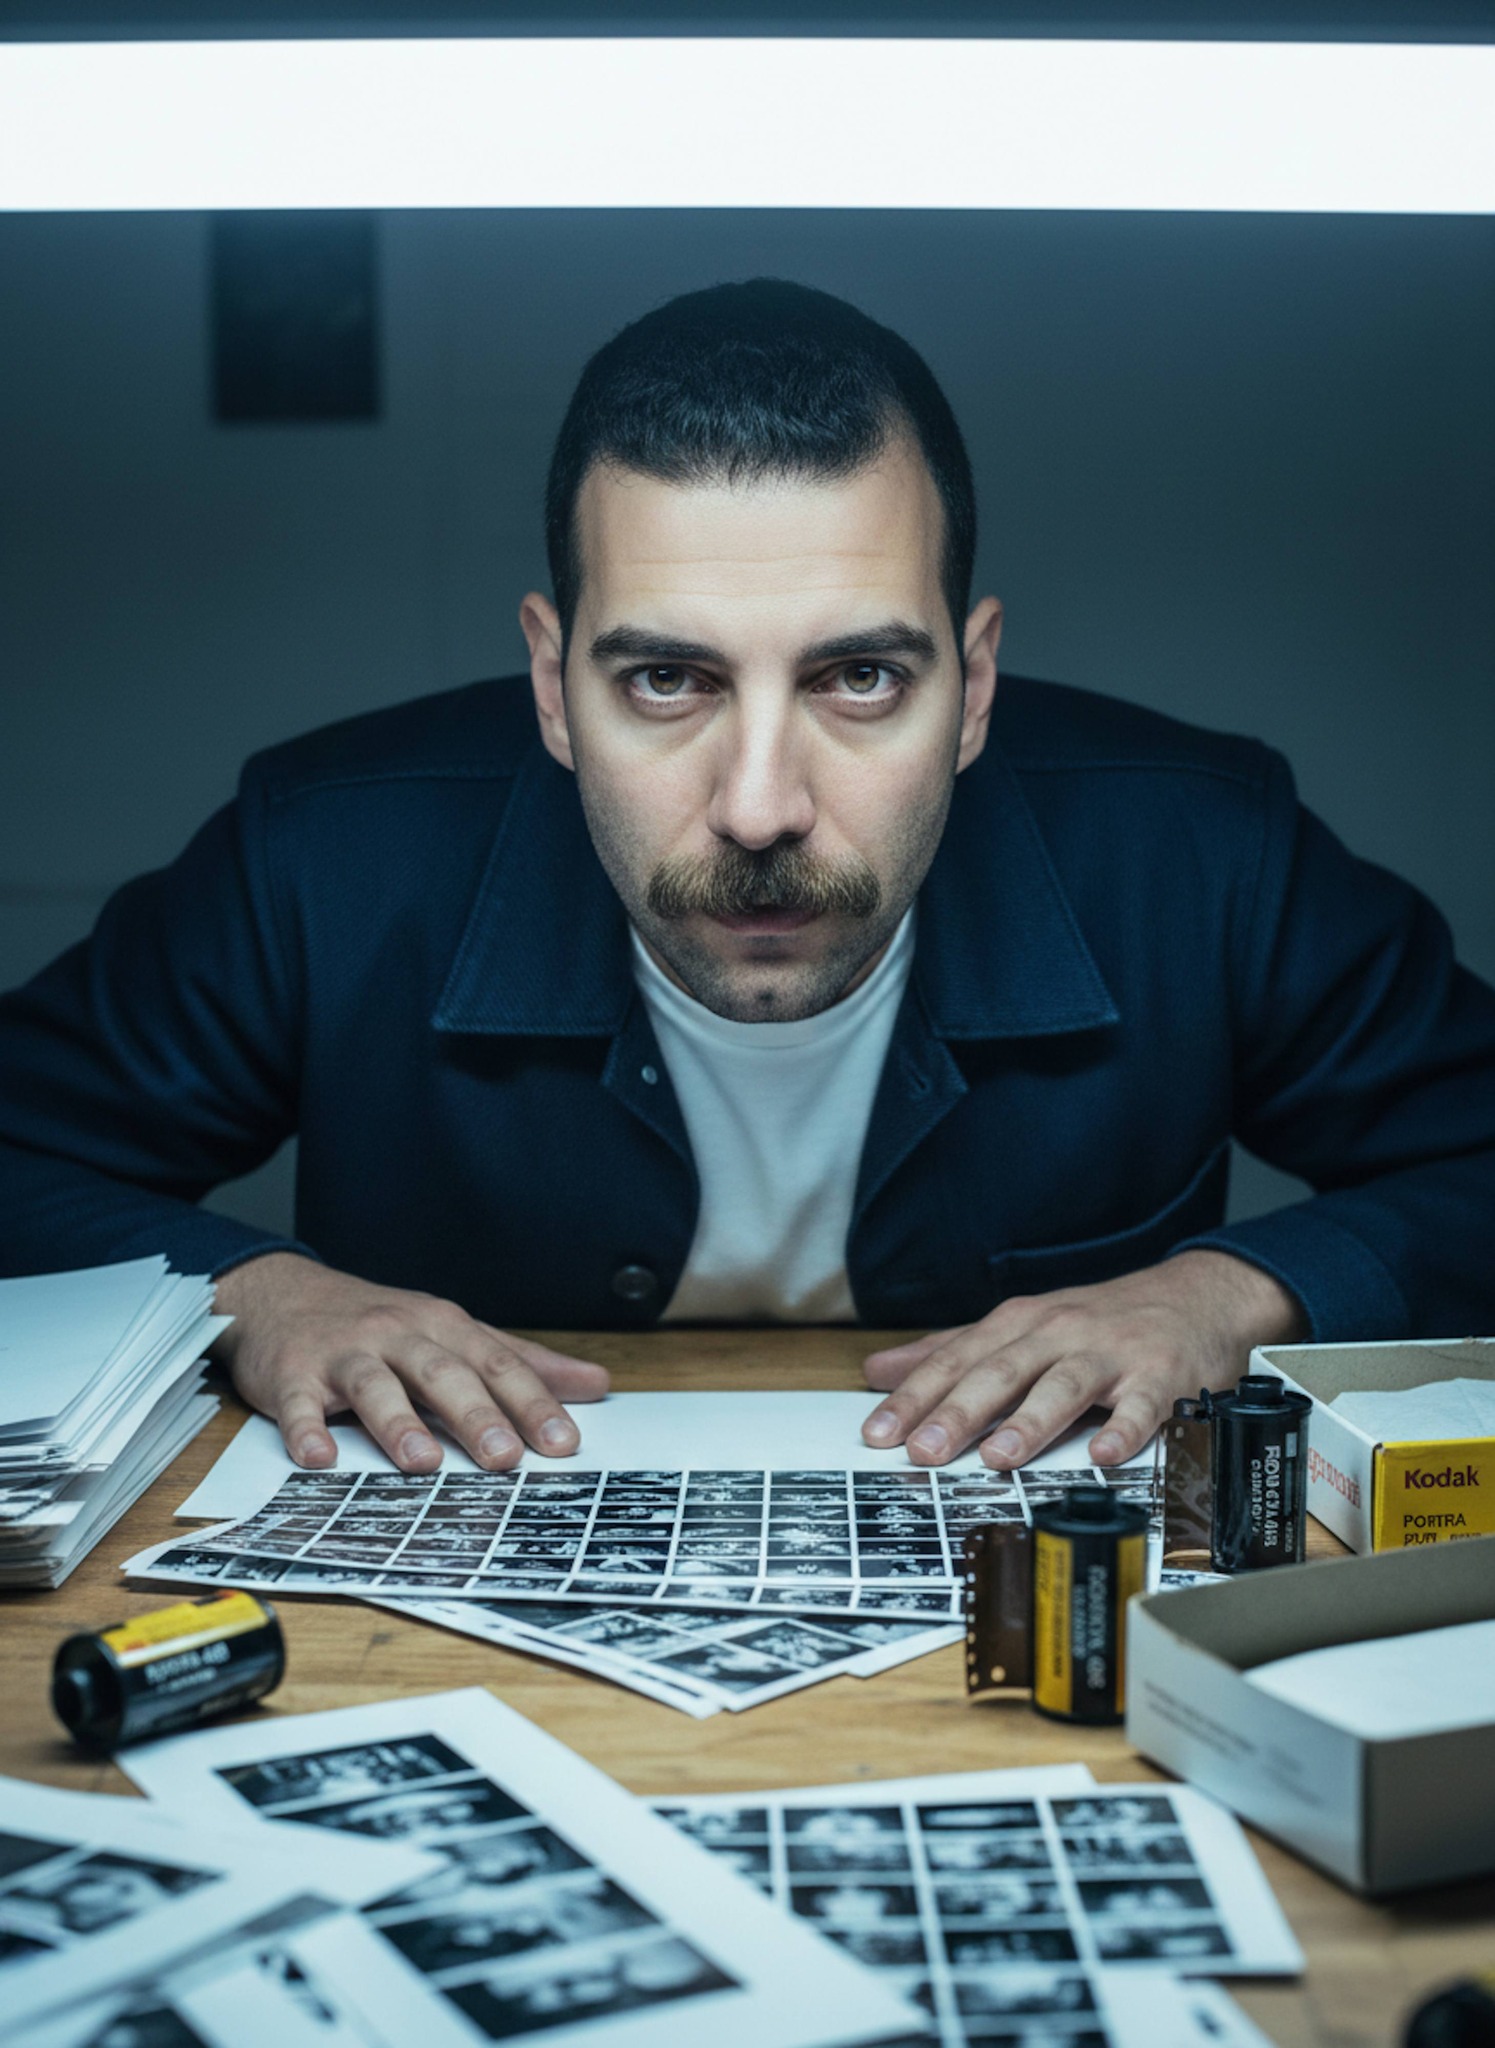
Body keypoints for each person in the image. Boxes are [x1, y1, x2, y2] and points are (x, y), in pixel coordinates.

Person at [1, 281, 1492, 1480]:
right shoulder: (324, 855)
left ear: (972, 688)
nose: (763, 807)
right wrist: (249, 1296)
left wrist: (1228, 1293)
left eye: (858, 678)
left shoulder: (1205, 853)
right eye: (665, 678)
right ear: (549, 680)